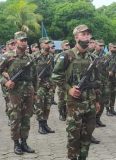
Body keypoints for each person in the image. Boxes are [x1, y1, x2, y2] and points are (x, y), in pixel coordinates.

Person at [51, 24, 99, 160]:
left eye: (88, 34)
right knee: (73, 137)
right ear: (76, 36)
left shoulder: (92, 57)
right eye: (83, 34)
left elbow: (96, 81)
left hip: (90, 103)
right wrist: (69, 89)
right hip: (75, 104)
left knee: (87, 136)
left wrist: (96, 101)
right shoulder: (66, 55)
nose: (87, 37)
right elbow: (55, 76)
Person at [0, 31, 37, 155]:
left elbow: (35, 76)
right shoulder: (7, 56)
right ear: (16, 41)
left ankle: (24, 142)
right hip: (14, 92)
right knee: (15, 118)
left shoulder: (30, 57)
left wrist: (35, 92)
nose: (24, 42)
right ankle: (16, 143)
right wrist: (5, 82)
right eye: (21, 40)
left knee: (26, 117)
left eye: (25, 40)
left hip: (28, 90)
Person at [35, 37, 55, 134]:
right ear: (41, 45)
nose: (48, 45)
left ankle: (45, 124)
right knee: (39, 105)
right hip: (39, 85)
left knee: (47, 105)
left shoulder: (51, 56)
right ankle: (40, 125)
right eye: (46, 43)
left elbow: (54, 70)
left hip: (49, 84)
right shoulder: (35, 56)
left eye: (49, 43)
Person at [106, 42, 116, 116]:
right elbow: (102, 67)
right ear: (109, 47)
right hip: (108, 78)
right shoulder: (106, 56)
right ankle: (107, 110)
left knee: (113, 93)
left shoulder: (115, 56)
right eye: (114, 47)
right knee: (108, 94)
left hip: (114, 78)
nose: (115, 49)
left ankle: (112, 109)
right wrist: (108, 71)